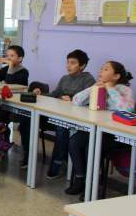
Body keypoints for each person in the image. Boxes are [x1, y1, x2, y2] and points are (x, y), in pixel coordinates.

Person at [65, 61, 134, 195]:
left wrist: (110, 89)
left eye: (106, 69)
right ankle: (80, 179)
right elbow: (76, 101)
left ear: (116, 76)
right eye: (101, 69)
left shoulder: (125, 90)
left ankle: (92, 185)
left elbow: (127, 109)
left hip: (114, 134)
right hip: (95, 129)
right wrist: (93, 88)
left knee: (91, 147)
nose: (101, 71)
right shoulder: (97, 87)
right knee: (74, 141)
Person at [39, 50, 96, 178]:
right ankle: (61, 160)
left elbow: (90, 101)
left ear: (82, 66)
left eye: (73, 63)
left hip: (79, 119)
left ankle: (57, 163)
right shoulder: (65, 78)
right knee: (59, 126)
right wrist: (40, 94)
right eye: (67, 62)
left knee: (61, 128)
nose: (68, 66)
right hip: (62, 115)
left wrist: (71, 100)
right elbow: (54, 94)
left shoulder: (88, 79)